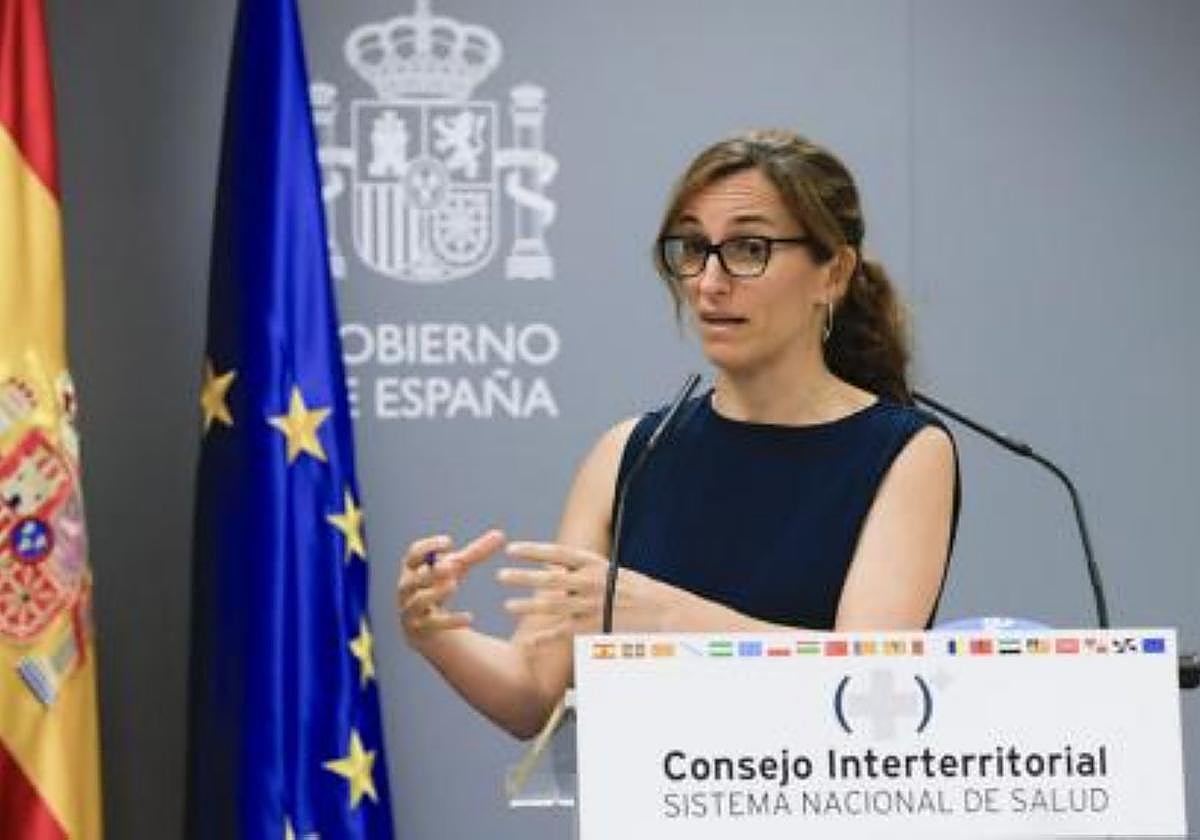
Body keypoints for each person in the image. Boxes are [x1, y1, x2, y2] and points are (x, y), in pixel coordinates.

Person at [397, 129, 958, 739]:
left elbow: (870, 680)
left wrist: (667, 616)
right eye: (692, 248)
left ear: (833, 274)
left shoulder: (906, 451)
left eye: (748, 248)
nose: (708, 283)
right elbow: (534, 694)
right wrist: (439, 635)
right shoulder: (630, 452)